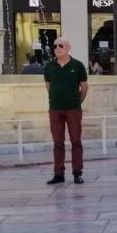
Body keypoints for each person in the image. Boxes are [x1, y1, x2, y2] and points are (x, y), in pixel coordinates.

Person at [44, 38, 88, 185]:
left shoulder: (78, 65)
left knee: (76, 141)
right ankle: (58, 174)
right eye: (55, 45)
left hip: (73, 109)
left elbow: (84, 87)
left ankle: (77, 173)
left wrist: (76, 102)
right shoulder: (49, 66)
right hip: (55, 109)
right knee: (57, 143)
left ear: (68, 48)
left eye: (60, 45)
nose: (57, 48)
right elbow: (48, 86)